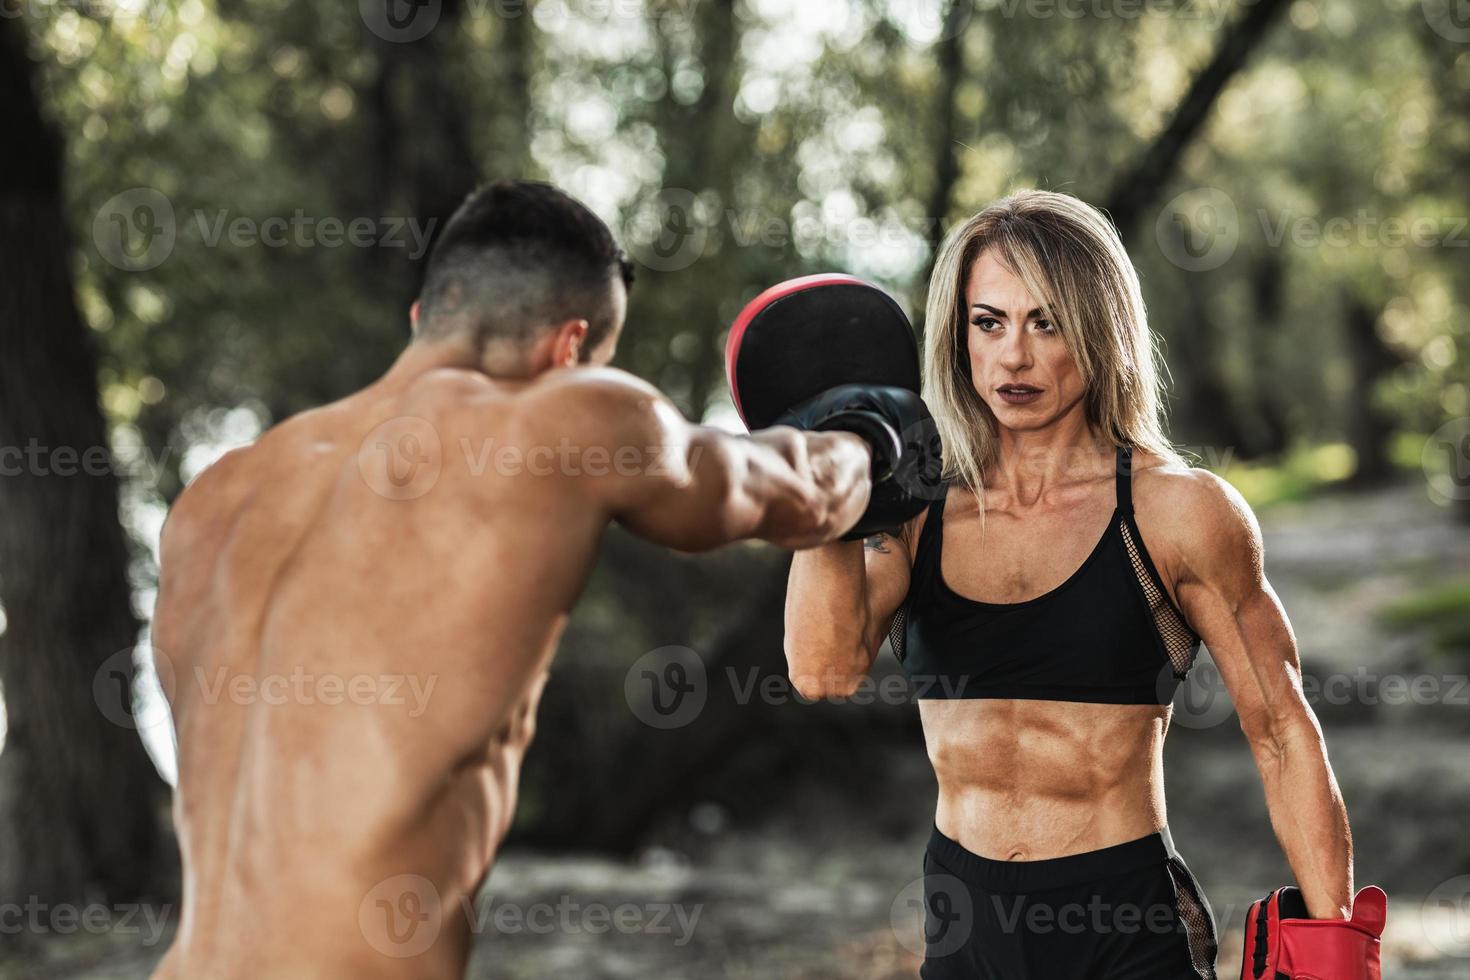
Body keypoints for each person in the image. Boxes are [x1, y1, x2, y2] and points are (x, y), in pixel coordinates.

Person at [148, 180, 916, 979]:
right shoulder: (562, 419)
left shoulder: (216, 500)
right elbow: (786, 492)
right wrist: (872, 432)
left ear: (424, 320)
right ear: (568, 351)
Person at [784, 190, 1355, 979]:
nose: (1012, 357)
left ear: (1100, 330)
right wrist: (828, 486)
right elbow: (822, 670)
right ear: (960, 336)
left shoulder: (1178, 511)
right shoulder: (914, 509)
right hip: (963, 925)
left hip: (1123, 927)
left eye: (1045, 323)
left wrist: (1337, 946)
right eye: (989, 322)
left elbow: (1283, 733)